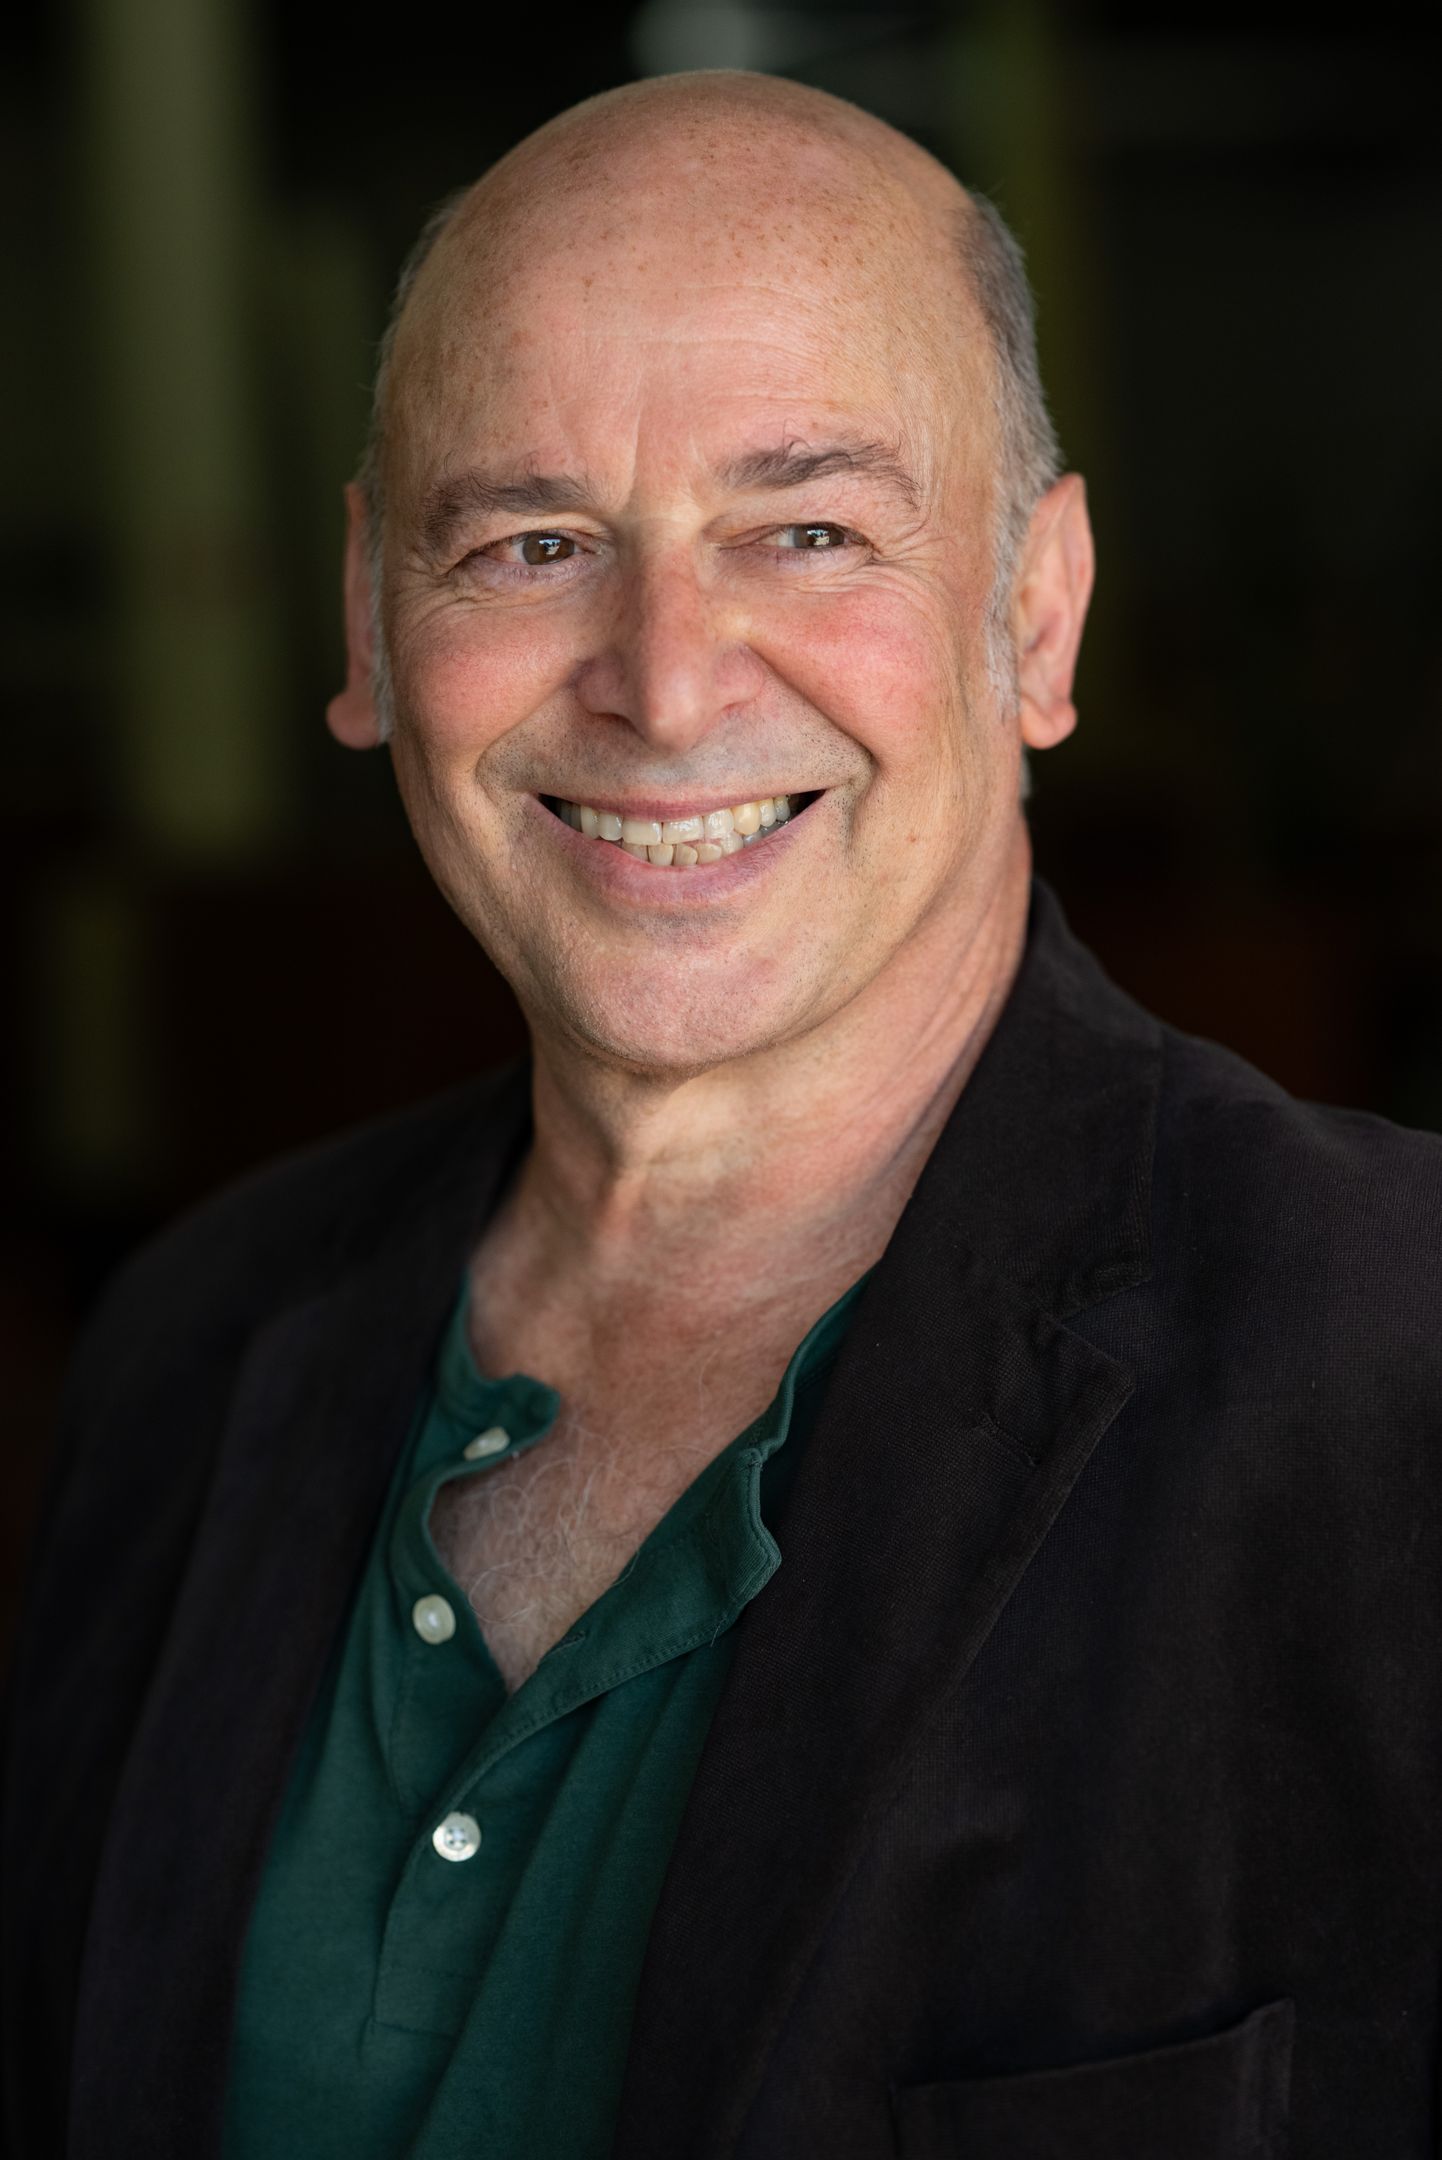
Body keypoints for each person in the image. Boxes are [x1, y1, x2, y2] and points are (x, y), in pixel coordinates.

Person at [3, 66, 1439, 2160]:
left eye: (807, 531)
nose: (665, 683)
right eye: (532, 544)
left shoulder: (1395, 1375)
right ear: (370, 621)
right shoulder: (188, 1348)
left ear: (1034, 616)